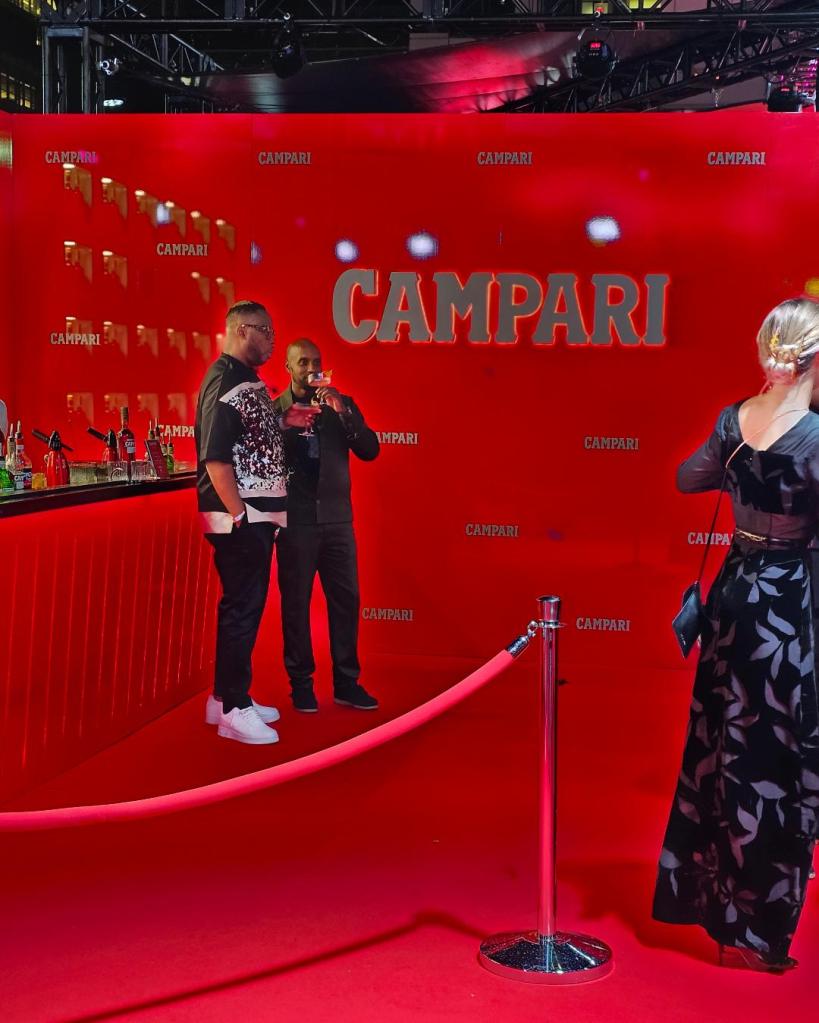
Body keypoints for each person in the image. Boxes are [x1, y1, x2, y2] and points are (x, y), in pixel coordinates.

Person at [653, 297, 819, 972]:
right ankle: (760, 932)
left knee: (722, 749)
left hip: (732, 599)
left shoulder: (735, 420)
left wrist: (743, 463)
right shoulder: (815, 436)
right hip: (790, 609)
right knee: (776, 764)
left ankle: (718, 911)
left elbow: (687, 477)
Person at [195, 302, 318, 744]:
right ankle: (234, 709)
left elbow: (250, 441)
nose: (272, 341)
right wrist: (239, 514)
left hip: (254, 514)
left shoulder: (246, 380)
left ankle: (224, 698)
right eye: (266, 331)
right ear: (242, 330)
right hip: (242, 517)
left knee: (240, 607)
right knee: (243, 609)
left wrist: (284, 420)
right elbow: (215, 457)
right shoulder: (225, 380)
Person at [273, 338, 380, 712]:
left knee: (346, 602)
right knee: (296, 605)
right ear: (288, 367)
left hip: (337, 521)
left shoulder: (340, 404)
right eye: (302, 362)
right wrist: (281, 426)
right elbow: (256, 459)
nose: (310, 369)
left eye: (315, 362)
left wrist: (343, 412)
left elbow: (370, 449)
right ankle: (301, 685)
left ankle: (346, 683)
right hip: (295, 522)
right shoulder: (275, 411)